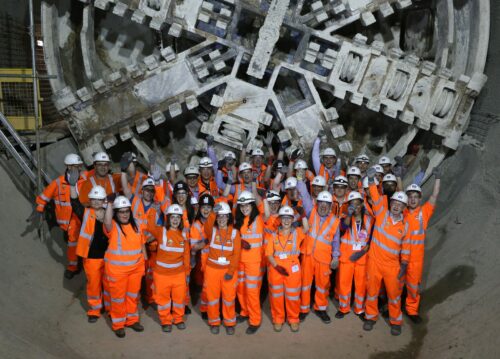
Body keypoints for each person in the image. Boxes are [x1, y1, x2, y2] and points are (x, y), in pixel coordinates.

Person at [363, 167, 410, 336]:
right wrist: (370, 180)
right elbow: (374, 196)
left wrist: (404, 265)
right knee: (372, 292)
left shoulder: (405, 227)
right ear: (390, 203)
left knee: (394, 294)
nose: (396, 206)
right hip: (375, 261)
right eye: (395, 203)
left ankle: (396, 321)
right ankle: (370, 317)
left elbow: (406, 247)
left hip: (392, 266)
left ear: (404, 207)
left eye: (400, 205)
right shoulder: (381, 213)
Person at [68, 165, 110, 322]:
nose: (97, 202)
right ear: (90, 200)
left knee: (108, 283)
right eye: (94, 199)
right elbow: (75, 204)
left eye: (100, 200)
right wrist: (73, 186)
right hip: (91, 257)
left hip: (109, 256)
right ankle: (95, 309)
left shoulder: (110, 214)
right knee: (93, 284)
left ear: (104, 200)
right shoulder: (86, 213)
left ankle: (108, 306)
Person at [35, 153, 85, 279]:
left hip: (81, 221)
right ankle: (75, 266)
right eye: (75, 166)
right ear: (68, 167)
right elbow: (45, 196)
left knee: (79, 244)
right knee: (72, 245)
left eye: (79, 166)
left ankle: (78, 266)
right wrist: (40, 207)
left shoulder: (84, 181)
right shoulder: (58, 183)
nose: (79, 169)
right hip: (67, 223)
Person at [103, 196, 146, 338]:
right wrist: (109, 204)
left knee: (132, 296)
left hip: (135, 269)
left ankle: (132, 320)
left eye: (127, 211)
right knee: (118, 299)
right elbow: (107, 221)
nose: (125, 214)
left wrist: (144, 261)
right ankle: (118, 324)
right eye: (121, 211)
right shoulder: (113, 226)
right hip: (118, 271)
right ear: (116, 213)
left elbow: (142, 244)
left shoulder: (137, 225)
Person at [403, 167, 441, 323]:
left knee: (413, 287)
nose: (412, 199)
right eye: (410, 197)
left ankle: (411, 310)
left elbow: (434, 195)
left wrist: (437, 178)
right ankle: (390, 306)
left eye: (416, 197)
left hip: (416, 260)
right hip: (399, 257)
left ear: (420, 199)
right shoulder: (401, 211)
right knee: (395, 284)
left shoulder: (424, 212)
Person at [147, 204, 191, 332]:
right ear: (168, 218)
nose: (175, 220)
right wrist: (152, 211)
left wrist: (187, 273)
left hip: (178, 274)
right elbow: (149, 226)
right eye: (173, 217)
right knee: (163, 300)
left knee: (179, 298)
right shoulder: (161, 231)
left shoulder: (183, 235)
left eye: (178, 217)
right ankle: (165, 320)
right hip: (162, 275)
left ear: (181, 219)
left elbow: (186, 255)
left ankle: (178, 318)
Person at [300, 191, 340, 323]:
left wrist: (335, 257)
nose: (323, 206)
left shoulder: (335, 221)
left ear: (330, 206)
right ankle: (304, 309)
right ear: (317, 204)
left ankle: (321, 308)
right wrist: (300, 179)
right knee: (305, 284)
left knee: (322, 285)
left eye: (326, 204)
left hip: (323, 259)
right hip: (308, 255)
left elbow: (336, 241)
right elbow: (305, 196)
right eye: (321, 203)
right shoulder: (311, 213)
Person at [202, 201, 241, 335]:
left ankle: (229, 322)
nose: (222, 219)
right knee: (212, 298)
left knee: (229, 298)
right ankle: (214, 322)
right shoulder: (212, 231)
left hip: (228, 270)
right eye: (219, 216)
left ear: (229, 217)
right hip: (212, 270)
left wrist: (230, 271)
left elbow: (236, 255)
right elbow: (207, 225)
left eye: (224, 216)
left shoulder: (235, 233)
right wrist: (213, 212)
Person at [266, 206, 305, 332]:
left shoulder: (297, 232)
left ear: (292, 219)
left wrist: (303, 215)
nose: (286, 221)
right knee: (276, 296)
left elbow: (308, 228)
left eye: (289, 218)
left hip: (292, 268)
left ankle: (293, 319)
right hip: (276, 268)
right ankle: (278, 319)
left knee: (292, 295)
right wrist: (277, 267)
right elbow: (269, 254)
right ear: (280, 219)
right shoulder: (273, 235)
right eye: (284, 218)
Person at [336, 191, 373, 319]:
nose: (355, 208)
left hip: (362, 257)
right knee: (344, 283)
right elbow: (343, 227)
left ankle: (359, 309)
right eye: (352, 205)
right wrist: (349, 214)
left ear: (362, 205)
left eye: (357, 205)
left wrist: (363, 252)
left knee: (361, 284)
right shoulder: (344, 218)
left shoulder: (369, 220)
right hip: (346, 257)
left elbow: (371, 239)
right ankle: (343, 308)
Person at [234, 190, 265, 334]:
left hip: (253, 262)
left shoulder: (259, 218)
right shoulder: (239, 220)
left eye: (247, 205)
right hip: (240, 260)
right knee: (241, 288)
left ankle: (255, 320)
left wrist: (255, 190)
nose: (244, 208)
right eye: (242, 206)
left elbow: (263, 206)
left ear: (252, 205)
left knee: (252, 292)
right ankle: (244, 312)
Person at [189, 194, 215, 319]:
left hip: (219, 258)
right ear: (199, 208)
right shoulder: (196, 225)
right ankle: (205, 309)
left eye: (208, 207)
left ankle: (215, 307)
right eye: (203, 207)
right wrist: (207, 241)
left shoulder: (218, 220)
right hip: (206, 260)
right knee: (207, 286)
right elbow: (194, 247)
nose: (206, 210)